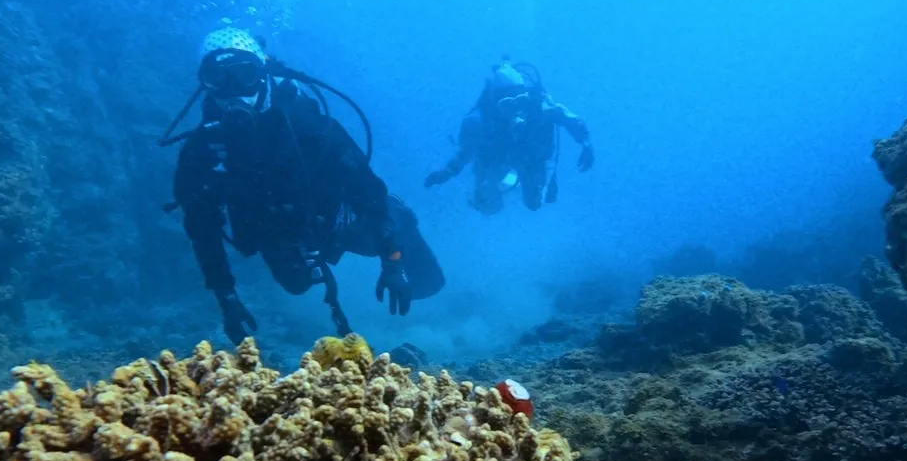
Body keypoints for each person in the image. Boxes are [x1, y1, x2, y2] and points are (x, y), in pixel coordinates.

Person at [163, 28, 445, 343]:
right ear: (206, 85)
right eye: (217, 79)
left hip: (337, 216)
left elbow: (366, 186)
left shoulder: (306, 123)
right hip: (281, 233)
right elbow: (202, 228)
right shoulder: (203, 150)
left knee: (399, 239)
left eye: (244, 74)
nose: (233, 91)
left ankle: (399, 222)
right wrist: (225, 296)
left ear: (262, 73)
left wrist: (392, 258)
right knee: (295, 285)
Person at [424, 59, 594, 215]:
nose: (514, 105)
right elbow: (465, 152)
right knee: (488, 204)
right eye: (506, 99)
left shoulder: (540, 107)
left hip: (531, 156)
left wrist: (586, 144)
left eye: (518, 95)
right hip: (496, 157)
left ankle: (528, 183)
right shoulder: (478, 121)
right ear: (493, 99)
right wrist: (446, 173)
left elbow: (571, 120)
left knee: (535, 204)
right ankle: (503, 185)